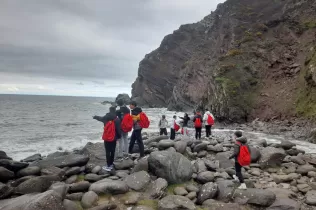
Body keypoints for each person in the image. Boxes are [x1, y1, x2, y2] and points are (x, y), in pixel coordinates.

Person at [93, 106, 121, 171]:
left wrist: (95, 117)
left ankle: (108, 165)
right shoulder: (117, 119)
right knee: (113, 151)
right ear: (115, 110)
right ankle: (111, 163)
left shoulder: (105, 117)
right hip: (114, 138)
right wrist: (119, 137)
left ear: (109, 110)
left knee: (107, 151)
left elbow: (100, 118)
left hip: (106, 137)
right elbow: (118, 130)